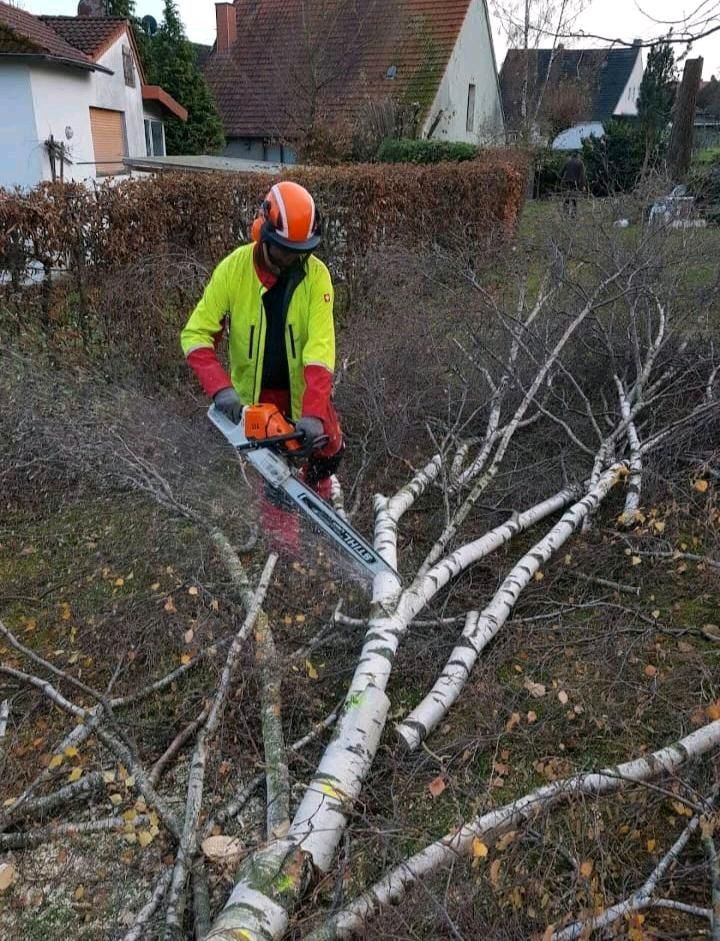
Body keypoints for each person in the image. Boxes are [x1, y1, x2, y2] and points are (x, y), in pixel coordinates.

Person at [181, 181, 344, 549]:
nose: (292, 259)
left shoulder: (316, 275)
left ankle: (320, 501)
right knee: (276, 478)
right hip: (257, 395)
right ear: (263, 233)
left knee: (330, 448)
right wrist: (221, 389)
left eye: (299, 251)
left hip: (305, 389)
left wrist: (314, 413)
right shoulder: (233, 270)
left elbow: (320, 350)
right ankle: (285, 551)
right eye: (286, 251)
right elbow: (195, 335)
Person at [560, 151, 587, 217]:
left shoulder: (567, 162)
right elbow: (582, 176)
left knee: (567, 197)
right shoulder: (580, 163)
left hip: (567, 182)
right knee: (574, 199)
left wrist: (561, 180)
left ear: (571, 156)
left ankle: (565, 213)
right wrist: (583, 185)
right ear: (578, 156)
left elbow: (561, 172)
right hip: (575, 183)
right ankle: (573, 214)